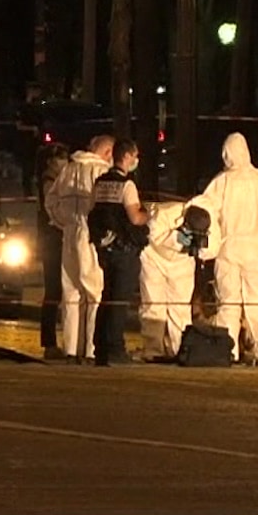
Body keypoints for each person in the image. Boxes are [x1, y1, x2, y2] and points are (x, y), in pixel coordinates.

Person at [202, 132, 258, 365]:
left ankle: (229, 350)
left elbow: (206, 211)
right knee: (257, 299)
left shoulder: (221, 182)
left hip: (229, 245)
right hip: (256, 246)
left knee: (228, 301)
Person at [45, 134, 115, 363]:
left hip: (69, 235)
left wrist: (61, 222)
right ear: (107, 153)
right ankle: (91, 349)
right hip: (91, 236)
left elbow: (50, 200)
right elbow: (108, 208)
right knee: (94, 293)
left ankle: (71, 348)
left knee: (71, 293)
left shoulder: (68, 170)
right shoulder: (101, 173)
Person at [87, 138, 149, 366]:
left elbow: (92, 210)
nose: (136, 160)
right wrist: (149, 215)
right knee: (120, 300)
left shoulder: (101, 182)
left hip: (105, 248)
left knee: (107, 296)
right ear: (126, 156)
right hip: (124, 249)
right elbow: (134, 217)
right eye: (135, 156)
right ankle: (115, 349)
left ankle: (100, 347)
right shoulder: (127, 185)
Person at [138, 198, 220, 362]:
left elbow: (212, 250)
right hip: (154, 257)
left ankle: (180, 348)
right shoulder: (165, 213)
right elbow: (153, 235)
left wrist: (197, 248)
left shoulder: (212, 224)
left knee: (180, 306)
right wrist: (177, 239)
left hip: (182, 262)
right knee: (153, 304)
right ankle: (153, 349)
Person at [35, 142, 70, 360]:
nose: (64, 163)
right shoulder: (49, 182)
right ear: (50, 162)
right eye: (61, 159)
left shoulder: (57, 181)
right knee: (54, 290)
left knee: (59, 290)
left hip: (55, 240)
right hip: (52, 241)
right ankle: (49, 342)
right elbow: (53, 211)